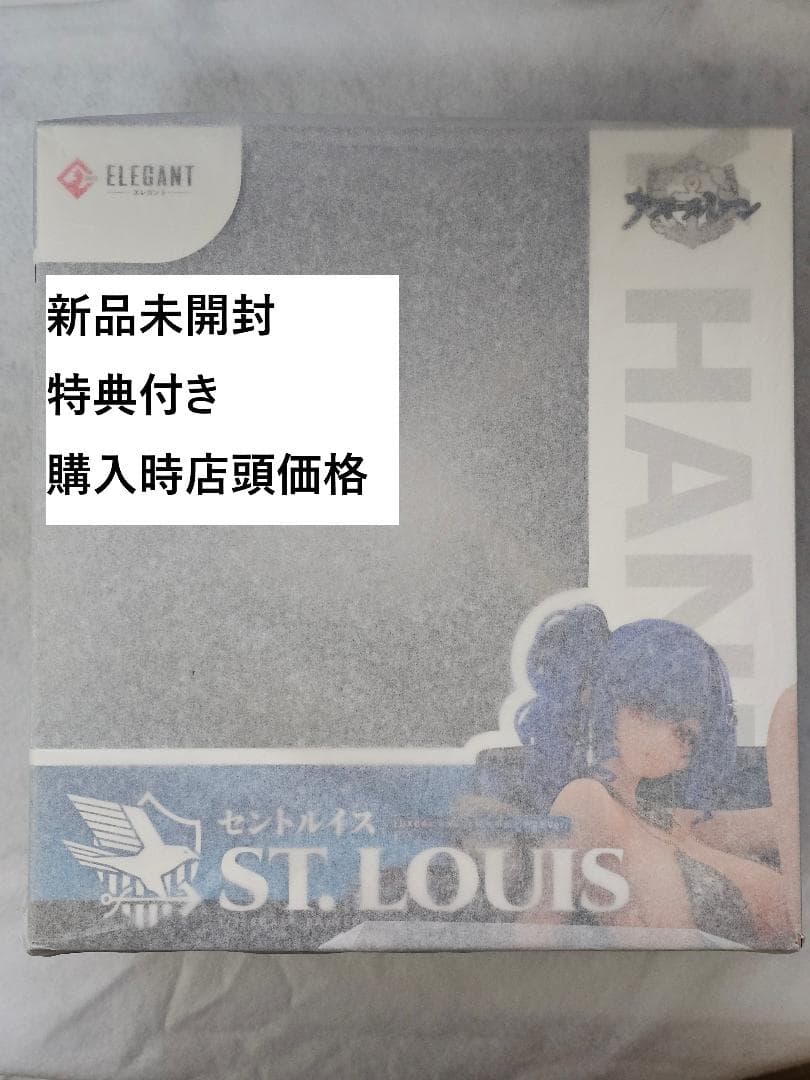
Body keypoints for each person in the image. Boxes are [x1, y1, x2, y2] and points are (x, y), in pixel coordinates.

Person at [517, 605, 798, 948]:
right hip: (715, 974)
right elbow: (533, 933)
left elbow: (783, 822)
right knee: (791, 711)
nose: (686, 749)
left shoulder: (671, 821)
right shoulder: (586, 799)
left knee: (792, 711)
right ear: (616, 706)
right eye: (678, 728)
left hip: (776, 961)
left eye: (693, 737)